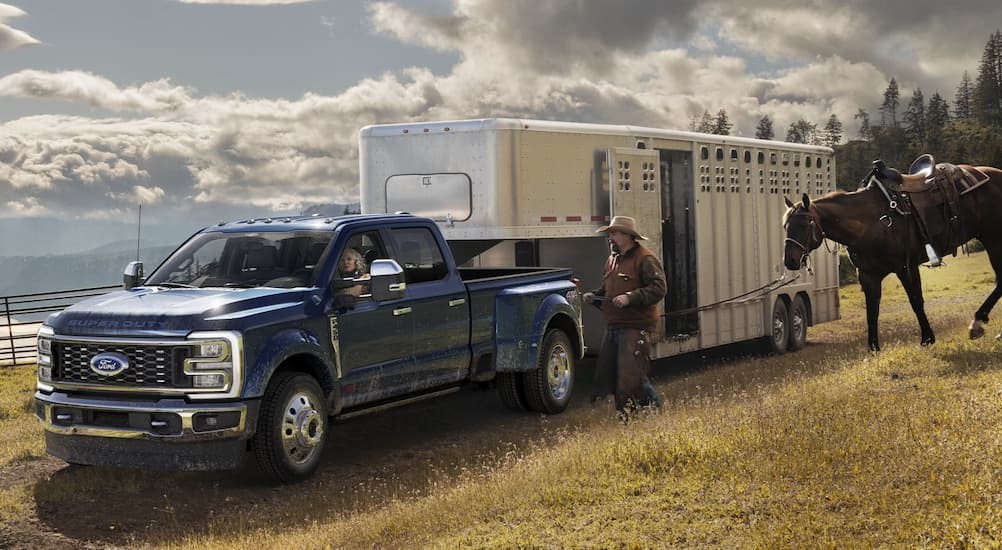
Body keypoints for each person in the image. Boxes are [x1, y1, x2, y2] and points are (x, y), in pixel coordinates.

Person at [582, 216, 667, 413]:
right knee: (613, 373)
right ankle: (650, 411)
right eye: (610, 233)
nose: (610, 237)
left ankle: (634, 417)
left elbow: (659, 288)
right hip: (614, 324)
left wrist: (630, 297)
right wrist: (594, 296)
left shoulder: (646, 259)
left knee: (629, 377)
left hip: (636, 325)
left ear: (627, 236)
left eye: (614, 233)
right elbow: (607, 290)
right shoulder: (612, 260)